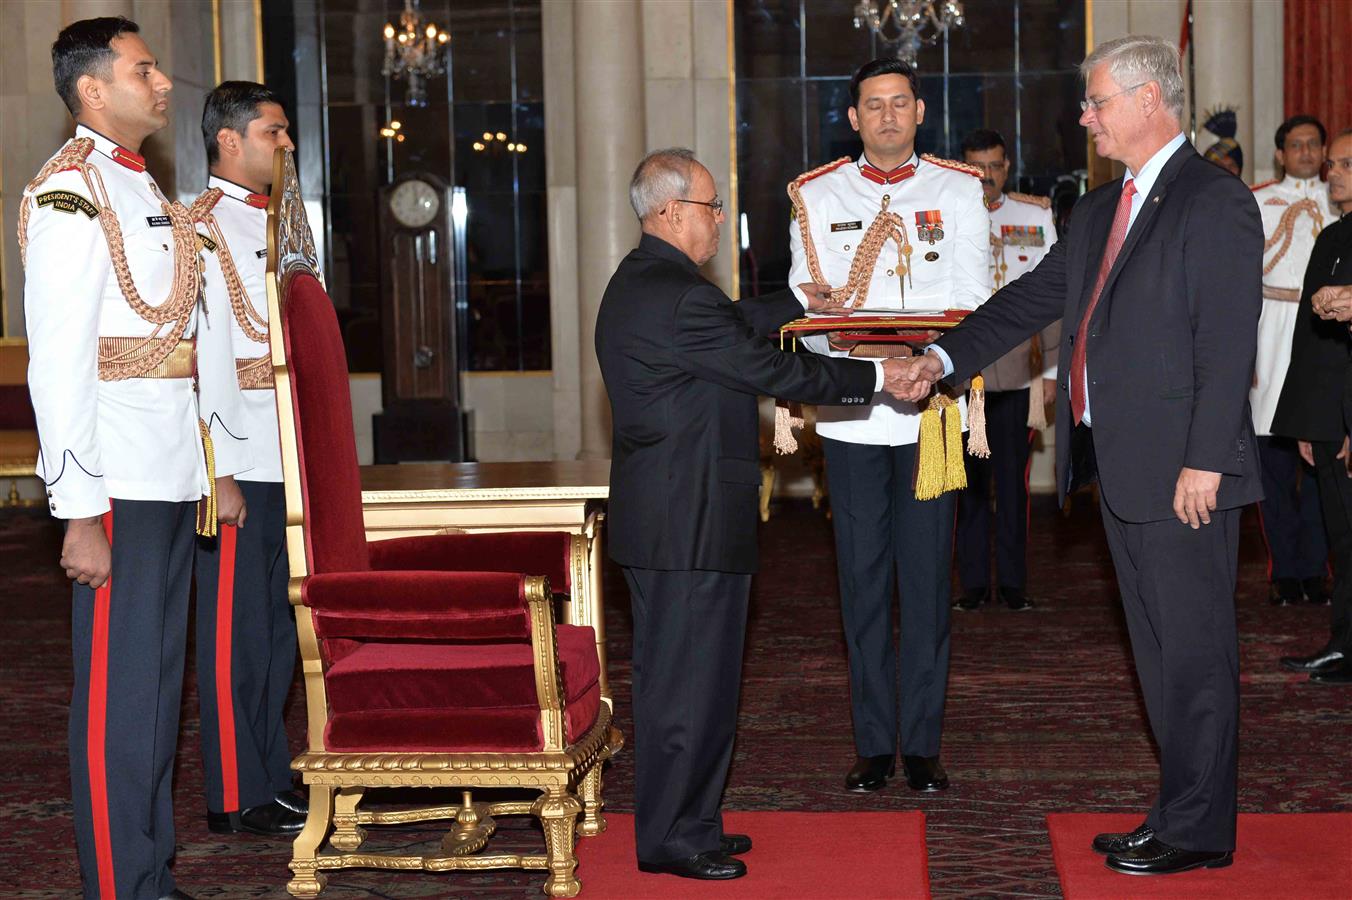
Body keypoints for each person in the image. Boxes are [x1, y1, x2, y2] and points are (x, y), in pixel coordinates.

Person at [897, 35, 1263, 875]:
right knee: (1158, 653)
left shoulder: (1215, 200)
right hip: (1122, 469)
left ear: (1148, 100)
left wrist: (1206, 459)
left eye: (1097, 101)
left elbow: (1226, 340)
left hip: (1186, 475)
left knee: (1196, 656)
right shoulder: (1100, 208)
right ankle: (1177, 809)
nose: (1085, 116)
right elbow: (1029, 299)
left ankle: (1200, 829)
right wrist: (942, 359)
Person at [596, 148, 916, 881]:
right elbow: (771, 368)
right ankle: (673, 840)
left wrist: (802, 302)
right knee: (685, 689)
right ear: (672, 211)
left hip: (678, 517)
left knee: (699, 682)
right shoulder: (679, 296)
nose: (717, 220)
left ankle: (693, 824)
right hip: (690, 522)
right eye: (710, 207)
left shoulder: (651, 282)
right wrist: (879, 375)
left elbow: (735, 325)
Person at [21, 17, 248, 898]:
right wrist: (76, 510)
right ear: (92, 90)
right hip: (115, 480)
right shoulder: (69, 192)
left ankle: (149, 872)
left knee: (156, 693)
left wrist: (211, 466)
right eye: (144, 70)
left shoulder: (143, 185)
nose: (162, 84)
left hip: (169, 474)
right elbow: (62, 361)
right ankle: (119, 884)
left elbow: (181, 343)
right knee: (119, 701)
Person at [787, 58, 990, 795]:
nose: (887, 116)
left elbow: (975, 297)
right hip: (852, 416)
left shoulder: (959, 189)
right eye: (873, 105)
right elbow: (809, 314)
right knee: (862, 582)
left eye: (899, 103)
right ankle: (875, 744)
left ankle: (926, 746)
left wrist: (920, 362)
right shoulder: (816, 194)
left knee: (930, 581)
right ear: (852, 118)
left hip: (931, 412)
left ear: (920, 111)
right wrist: (875, 362)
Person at [192, 81, 307, 837]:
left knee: (277, 633)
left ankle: (270, 775)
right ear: (230, 140)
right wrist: (218, 473)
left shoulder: (283, 221)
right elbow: (198, 361)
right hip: (235, 458)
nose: (287, 145)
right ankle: (234, 792)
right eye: (274, 132)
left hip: (286, 458)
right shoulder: (193, 228)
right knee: (236, 634)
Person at [954, 128, 1059, 612]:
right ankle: (974, 585)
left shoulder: (1034, 215)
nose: (987, 177)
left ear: (1007, 166)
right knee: (969, 484)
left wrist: (1054, 372)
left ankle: (1014, 584)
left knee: (1013, 484)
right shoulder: (947, 216)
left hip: (1018, 372)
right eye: (977, 168)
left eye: (995, 166)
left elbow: (1057, 300)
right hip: (964, 377)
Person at [1270, 127, 1352, 686]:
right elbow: (1313, 341)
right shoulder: (1335, 236)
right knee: (1342, 539)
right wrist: (1309, 420)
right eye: (1335, 164)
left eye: (1346, 163)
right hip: (1330, 417)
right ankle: (1345, 644)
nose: (1332, 171)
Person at [1250, 115, 1334, 606]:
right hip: (1274, 328)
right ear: (1281, 154)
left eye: (1312, 144)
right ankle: (1283, 568)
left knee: (1324, 462)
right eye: (1295, 145)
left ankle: (1316, 567)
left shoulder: (1339, 200)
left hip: (1326, 331)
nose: (1304, 152)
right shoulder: (1259, 201)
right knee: (1274, 465)